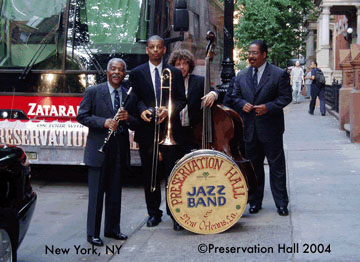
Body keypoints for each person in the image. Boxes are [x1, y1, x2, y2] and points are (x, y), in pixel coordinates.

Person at [77, 58, 137, 246]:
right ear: (107, 71)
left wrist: (128, 118)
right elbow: (82, 116)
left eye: (121, 69)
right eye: (113, 69)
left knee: (114, 193)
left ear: (124, 73)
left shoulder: (129, 94)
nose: (117, 72)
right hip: (98, 151)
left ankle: (112, 229)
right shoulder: (94, 91)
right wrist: (103, 122)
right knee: (96, 195)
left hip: (118, 151)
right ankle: (92, 233)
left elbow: (136, 122)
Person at [129, 36, 186, 229]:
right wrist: (141, 110)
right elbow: (134, 98)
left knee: (173, 175)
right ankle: (154, 213)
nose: (155, 50)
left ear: (163, 50)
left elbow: (181, 100)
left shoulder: (175, 73)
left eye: (158, 47)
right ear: (147, 50)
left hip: (170, 131)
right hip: (147, 131)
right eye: (151, 47)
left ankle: (176, 215)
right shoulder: (136, 73)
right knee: (150, 176)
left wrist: (168, 110)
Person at [232, 40, 292, 216]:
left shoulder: (278, 74)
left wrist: (269, 107)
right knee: (254, 167)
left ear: (264, 54)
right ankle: (255, 202)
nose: (251, 56)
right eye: (249, 53)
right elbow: (234, 96)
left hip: (271, 129)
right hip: (249, 130)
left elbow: (285, 97)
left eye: (255, 53)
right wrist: (242, 104)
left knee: (277, 167)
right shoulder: (241, 75)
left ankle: (281, 204)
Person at [168, 49, 218, 153]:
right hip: (173, 131)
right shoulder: (168, 82)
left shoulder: (199, 81)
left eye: (185, 63)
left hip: (193, 133)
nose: (182, 67)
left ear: (190, 65)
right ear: (173, 66)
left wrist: (213, 94)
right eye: (178, 64)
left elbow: (215, 91)